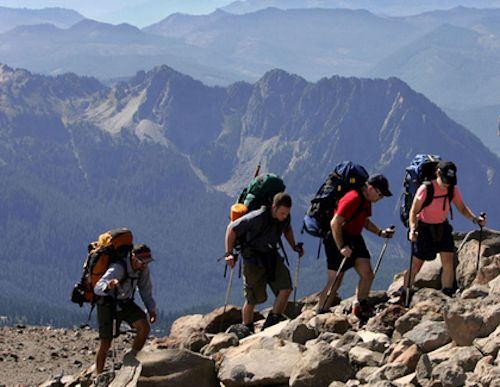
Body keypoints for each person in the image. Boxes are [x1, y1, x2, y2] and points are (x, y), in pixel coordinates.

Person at [317, 174, 395, 319]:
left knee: (367, 274)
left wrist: (380, 233)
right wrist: (341, 247)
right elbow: (335, 223)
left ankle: (360, 306)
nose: (380, 198)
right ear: (371, 188)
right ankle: (321, 313)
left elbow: (364, 220)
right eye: (380, 194)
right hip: (337, 237)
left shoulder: (366, 200)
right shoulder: (352, 198)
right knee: (335, 281)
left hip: (354, 237)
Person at [404, 160, 486, 297]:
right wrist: (413, 229)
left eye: (450, 180)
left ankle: (446, 294)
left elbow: (462, 207)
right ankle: (405, 292)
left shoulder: (452, 188)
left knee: (448, 260)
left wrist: (475, 219)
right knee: (416, 264)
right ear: (438, 173)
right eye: (445, 179)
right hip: (424, 229)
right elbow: (413, 211)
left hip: (442, 227)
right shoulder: (425, 189)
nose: (447, 183)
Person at [225, 192, 304, 332]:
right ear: (274, 206)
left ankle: (274, 318)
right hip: (252, 258)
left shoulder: (284, 218)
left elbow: (287, 229)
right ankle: (247, 327)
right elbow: (232, 229)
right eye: (282, 213)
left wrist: (294, 246)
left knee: (286, 287)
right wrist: (229, 253)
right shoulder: (256, 217)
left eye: (287, 214)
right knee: (253, 298)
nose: (284, 217)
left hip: (271, 254)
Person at [94, 244, 157, 374]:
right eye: (142, 262)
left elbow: (146, 290)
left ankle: (131, 361)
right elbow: (97, 287)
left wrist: (151, 309)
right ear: (133, 257)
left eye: (147, 262)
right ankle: (98, 375)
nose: (144, 265)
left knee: (144, 328)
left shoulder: (143, 270)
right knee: (106, 343)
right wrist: (109, 285)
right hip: (107, 303)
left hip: (125, 302)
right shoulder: (118, 268)